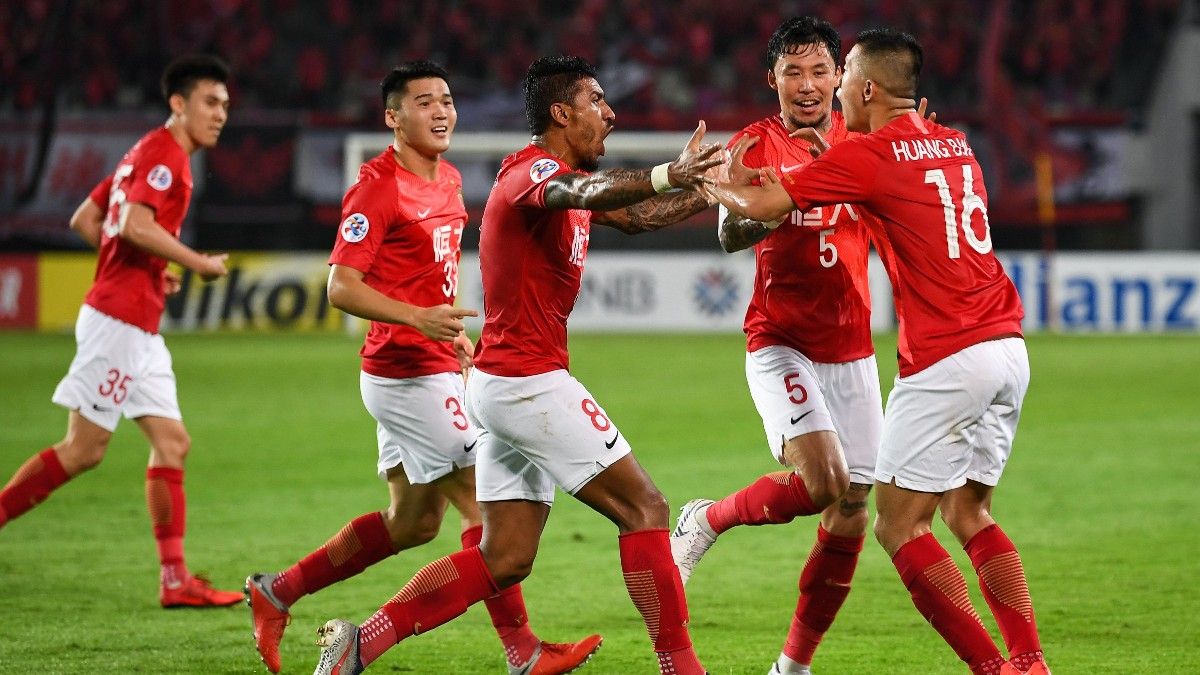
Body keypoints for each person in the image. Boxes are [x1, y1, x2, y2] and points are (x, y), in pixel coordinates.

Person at [310, 55, 722, 675]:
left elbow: (633, 215)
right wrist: (667, 172)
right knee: (648, 511)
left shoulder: (571, 184)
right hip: (528, 383)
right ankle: (683, 669)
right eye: (597, 102)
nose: (610, 114)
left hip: (501, 385)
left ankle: (362, 642)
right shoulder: (532, 175)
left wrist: (706, 189)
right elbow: (575, 191)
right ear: (562, 112)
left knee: (504, 557)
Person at [705, 28, 1050, 675]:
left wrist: (709, 181)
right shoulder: (956, 143)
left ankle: (993, 669)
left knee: (898, 525)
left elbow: (757, 203)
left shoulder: (867, 155)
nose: (827, 91)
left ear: (864, 88)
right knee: (968, 509)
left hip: (948, 357)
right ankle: (1029, 660)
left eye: (836, 80)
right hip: (1009, 345)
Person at [244, 61, 601, 675]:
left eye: (447, 100)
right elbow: (340, 288)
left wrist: (452, 333)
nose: (441, 112)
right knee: (483, 506)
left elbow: (433, 275)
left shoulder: (449, 178)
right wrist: (417, 319)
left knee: (410, 524)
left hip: (434, 362)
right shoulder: (377, 189)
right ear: (393, 117)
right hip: (404, 373)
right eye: (424, 102)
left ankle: (276, 591)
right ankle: (523, 652)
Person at [668, 17, 883, 675]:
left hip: (852, 348)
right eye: (794, 71)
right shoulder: (756, 144)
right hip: (780, 341)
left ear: (841, 77)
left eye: (821, 70)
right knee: (824, 483)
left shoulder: (864, 137)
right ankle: (707, 518)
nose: (809, 84)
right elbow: (731, 233)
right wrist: (754, 207)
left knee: (851, 510)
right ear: (773, 80)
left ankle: (792, 666)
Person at [0, 55, 241, 608]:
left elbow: (88, 219)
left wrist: (156, 268)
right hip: (120, 323)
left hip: (138, 323)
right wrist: (197, 263)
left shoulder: (141, 151)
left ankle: (175, 579)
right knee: (83, 449)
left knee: (172, 443)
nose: (220, 114)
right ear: (177, 104)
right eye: (210, 102)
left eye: (225, 105)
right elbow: (134, 224)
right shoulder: (167, 157)